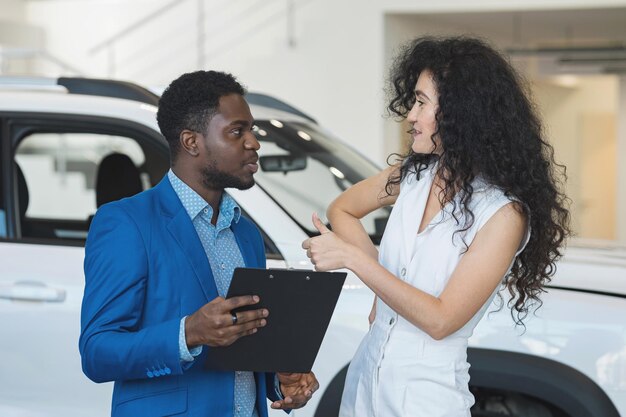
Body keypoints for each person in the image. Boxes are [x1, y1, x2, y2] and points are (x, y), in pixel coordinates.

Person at [302, 36, 570, 417]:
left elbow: (442, 320)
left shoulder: (504, 214)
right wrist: (383, 292)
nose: (411, 115)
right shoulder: (412, 175)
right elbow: (342, 209)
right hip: (363, 381)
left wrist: (357, 262)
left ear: (461, 113)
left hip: (428, 399)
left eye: (422, 102)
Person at [80, 70, 318, 417]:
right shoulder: (127, 223)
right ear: (192, 142)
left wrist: (280, 380)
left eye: (251, 130)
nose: (254, 142)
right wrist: (188, 333)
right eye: (238, 131)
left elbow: (243, 352)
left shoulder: (246, 234)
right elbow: (97, 352)